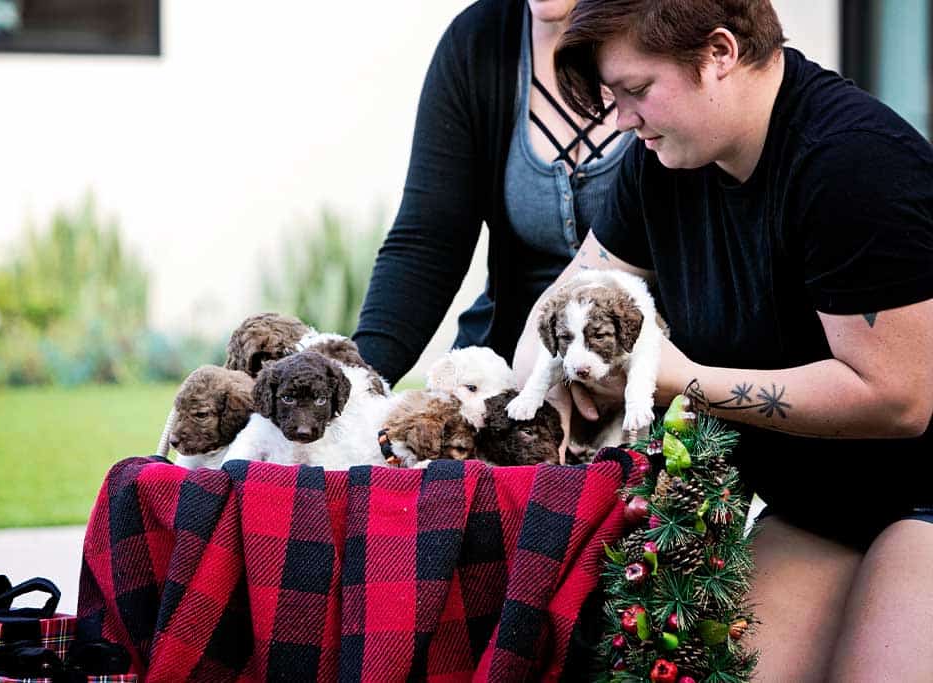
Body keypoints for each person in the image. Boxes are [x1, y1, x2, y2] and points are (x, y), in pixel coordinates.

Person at [510, 0, 933, 679]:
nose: (622, 119)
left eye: (637, 91)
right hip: (821, 502)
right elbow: (558, 310)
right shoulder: (664, 163)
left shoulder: (852, 165)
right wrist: (563, 380)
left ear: (719, 53)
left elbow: (898, 399)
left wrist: (679, 376)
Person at [353, 0, 633, 387]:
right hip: (507, 367)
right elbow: (428, 242)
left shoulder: (676, 31)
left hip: (651, 379)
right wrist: (356, 385)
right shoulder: (478, 40)